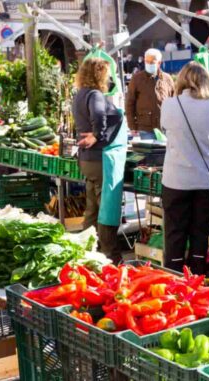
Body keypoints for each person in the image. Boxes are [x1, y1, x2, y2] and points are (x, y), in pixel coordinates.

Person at [160, 62, 209, 274]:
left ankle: (173, 277)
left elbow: (165, 131)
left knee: (175, 232)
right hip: (206, 181)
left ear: (181, 80)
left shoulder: (169, 105)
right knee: (200, 232)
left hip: (175, 180)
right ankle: (197, 277)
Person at [73, 58, 127, 263]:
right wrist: (97, 136)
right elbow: (98, 116)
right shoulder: (95, 94)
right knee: (106, 207)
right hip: (100, 159)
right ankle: (110, 255)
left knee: (92, 208)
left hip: (87, 160)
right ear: (99, 74)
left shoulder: (80, 95)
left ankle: (86, 252)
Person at [126, 48, 175, 140]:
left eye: (152, 62)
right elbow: (129, 103)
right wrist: (132, 125)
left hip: (165, 127)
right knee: (148, 154)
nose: (149, 64)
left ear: (159, 63)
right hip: (145, 127)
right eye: (147, 61)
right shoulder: (137, 79)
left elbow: (174, 101)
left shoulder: (167, 79)